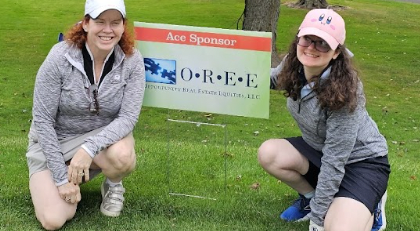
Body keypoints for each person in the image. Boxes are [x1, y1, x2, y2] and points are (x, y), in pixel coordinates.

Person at [258, 9, 390, 231]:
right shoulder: (295, 63)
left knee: (336, 228)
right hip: (320, 150)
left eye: (323, 43)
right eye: (307, 39)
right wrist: (229, 72)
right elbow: (273, 80)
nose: (311, 48)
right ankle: (311, 199)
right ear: (298, 38)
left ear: (336, 52)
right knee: (269, 153)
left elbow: (335, 159)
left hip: (361, 163)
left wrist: (317, 221)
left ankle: (372, 205)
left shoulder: (346, 92)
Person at [25, 0, 145, 229]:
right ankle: (67, 176)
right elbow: (42, 120)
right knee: (53, 220)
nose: (108, 30)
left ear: (123, 26)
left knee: (122, 155)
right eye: (100, 22)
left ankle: (113, 185)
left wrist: (88, 149)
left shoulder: (132, 60)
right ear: (86, 24)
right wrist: (61, 180)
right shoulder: (60, 57)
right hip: (56, 141)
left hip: (100, 142)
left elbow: (128, 117)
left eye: (115, 23)